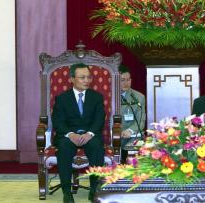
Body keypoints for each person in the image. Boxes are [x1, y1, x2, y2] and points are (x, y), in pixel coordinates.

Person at [51, 63, 105, 203]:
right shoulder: (62, 98)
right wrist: (70, 134)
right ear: (72, 79)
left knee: (96, 146)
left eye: (88, 77)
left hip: (90, 135)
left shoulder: (97, 97)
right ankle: (67, 192)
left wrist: (90, 134)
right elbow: (58, 122)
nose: (86, 80)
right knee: (63, 147)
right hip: (68, 135)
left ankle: (94, 189)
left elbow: (99, 120)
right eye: (82, 77)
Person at [118, 65, 146, 160]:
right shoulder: (108, 95)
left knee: (135, 146)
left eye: (128, 79)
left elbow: (141, 120)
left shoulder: (139, 97)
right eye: (122, 80)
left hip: (131, 135)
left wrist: (130, 130)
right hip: (113, 135)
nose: (126, 83)